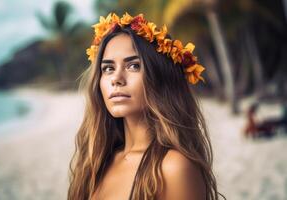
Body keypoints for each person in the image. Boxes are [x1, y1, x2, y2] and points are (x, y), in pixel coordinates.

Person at [68, 13, 224, 200]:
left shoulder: (173, 168)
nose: (116, 79)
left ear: (160, 78)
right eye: (108, 68)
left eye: (133, 66)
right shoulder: (95, 162)